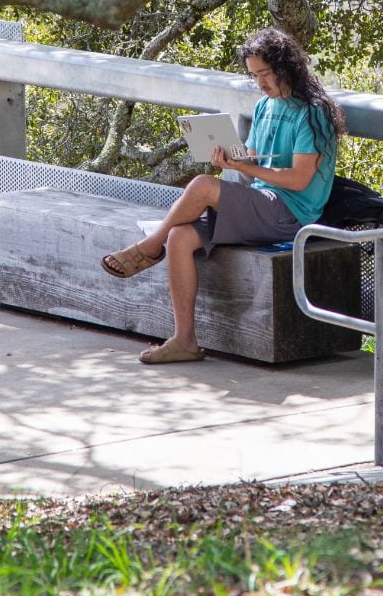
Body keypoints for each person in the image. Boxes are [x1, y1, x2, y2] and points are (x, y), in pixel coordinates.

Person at [99, 27, 345, 364]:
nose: (260, 82)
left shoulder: (313, 112)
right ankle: (184, 340)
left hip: (291, 214)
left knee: (202, 185)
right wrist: (233, 160)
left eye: (265, 73)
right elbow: (251, 170)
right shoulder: (265, 107)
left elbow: (301, 180)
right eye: (254, 75)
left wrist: (248, 170)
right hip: (259, 204)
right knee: (180, 237)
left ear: (286, 67)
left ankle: (147, 248)